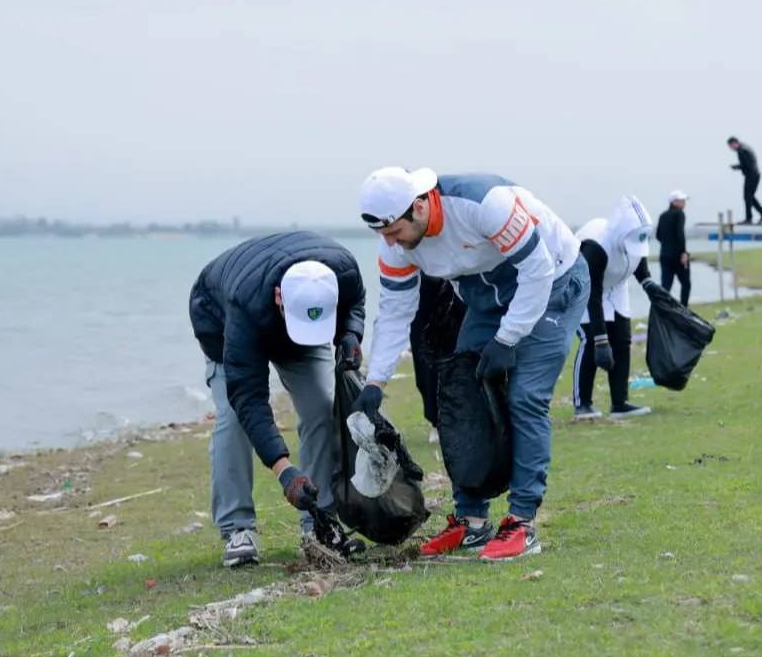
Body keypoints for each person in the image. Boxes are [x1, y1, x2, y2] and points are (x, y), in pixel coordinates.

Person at [356, 168, 589, 561]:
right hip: (485, 294)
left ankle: (523, 524)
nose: (390, 242)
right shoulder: (395, 243)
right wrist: (375, 382)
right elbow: (395, 311)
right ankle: (471, 522)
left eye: (394, 231)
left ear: (419, 206)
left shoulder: (484, 204)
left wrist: (507, 338)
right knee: (461, 394)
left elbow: (538, 269)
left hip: (554, 282)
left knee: (525, 397)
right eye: (383, 234)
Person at [189, 233, 367, 567]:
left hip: (290, 317)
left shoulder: (343, 272)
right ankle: (237, 528)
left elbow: (354, 303)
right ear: (279, 297)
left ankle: (319, 522)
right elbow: (248, 398)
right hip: (220, 319)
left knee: (322, 406)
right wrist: (284, 471)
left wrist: (350, 335)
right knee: (234, 419)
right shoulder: (243, 305)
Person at [572, 196, 657, 420]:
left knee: (622, 339)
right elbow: (593, 295)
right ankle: (583, 404)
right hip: (583, 288)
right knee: (590, 340)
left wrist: (651, 287)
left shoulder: (636, 238)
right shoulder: (595, 247)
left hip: (616, 285)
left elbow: (639, 264)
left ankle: (620, 403)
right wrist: (601, 340)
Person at [409, 275, 465, 444]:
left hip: (453, 297)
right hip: (421, 301)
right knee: (425, 369)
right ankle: (435, 421)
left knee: (455, 362)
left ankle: (456, 418)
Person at [655, 190, 690, 305]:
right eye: (681, 200)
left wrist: (667, 243)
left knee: (666, 286)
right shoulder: (680, 214)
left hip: (664, 255)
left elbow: (658, 235)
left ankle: (662, 309)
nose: (684, 203)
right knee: (686, 283)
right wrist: (683, 252)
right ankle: (684, 309)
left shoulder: (662, 215)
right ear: (674, 202)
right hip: (678, 256)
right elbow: (680, 233)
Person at [727, 137, 762, 224]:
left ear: (735, 143)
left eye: (731, 146)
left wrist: (737, 167)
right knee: (749, 197)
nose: (731, 148)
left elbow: (748, 165)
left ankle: (749, 218)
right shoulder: (744, 147)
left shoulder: (742, 150)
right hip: (754, 175)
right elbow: (748, 163)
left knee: (747, 197)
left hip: (751, 176)